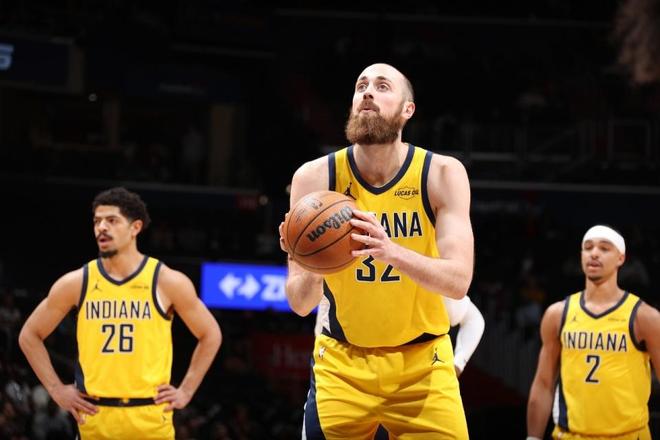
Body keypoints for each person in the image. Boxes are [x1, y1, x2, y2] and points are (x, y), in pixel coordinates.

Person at [280, 63, 475, 439]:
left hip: (424, 364)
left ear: (407, 109)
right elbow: (300, 303)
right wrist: (313, 258)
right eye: (361, 86)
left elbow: (458, 281)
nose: (367, 92)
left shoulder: (441, 173)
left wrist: (389, 251)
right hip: (342, 365)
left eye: (382, 86)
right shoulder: (314, 177)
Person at [19, 187, 222, 439]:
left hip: (150, 420)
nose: (101, 227)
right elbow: (29, 335)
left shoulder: (166, 281)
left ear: (135, 227)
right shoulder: (76, 283)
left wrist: (186, 390)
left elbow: (210, 334)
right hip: (96, 419)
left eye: (112, 220)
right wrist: (56, 389)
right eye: (97, 221)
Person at [526, 225, 660, 440]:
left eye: (604, 248)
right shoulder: (558, 314)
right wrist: (533, 437)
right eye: (588, 247)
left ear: (621, 258)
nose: (594, 253)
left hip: (628, 435)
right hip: (570, 435)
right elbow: (543, 384)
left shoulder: (644, 317)